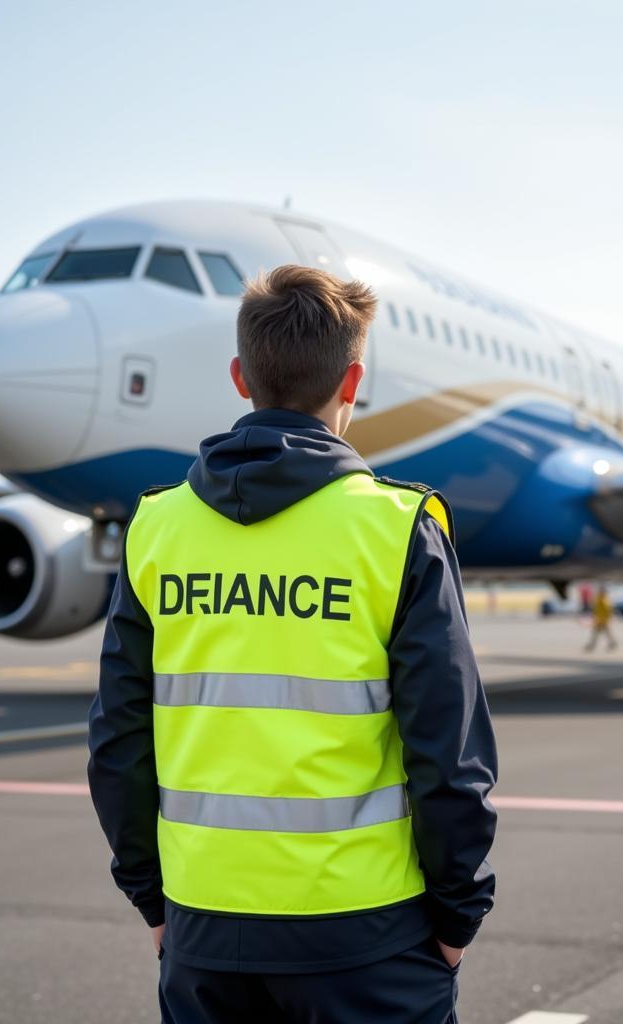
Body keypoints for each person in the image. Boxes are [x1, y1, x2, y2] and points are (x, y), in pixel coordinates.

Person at [87, 265, 498, 1024]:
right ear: (354, 382)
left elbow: (118, 741)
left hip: (203, 930)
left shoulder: (156, 530)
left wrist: (153, 900)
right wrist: (458, 916)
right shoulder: (398, 530)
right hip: (369, 934)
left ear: (241, 377)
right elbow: (449, 752)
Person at [584, 585, 618, 652]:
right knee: (604, 633)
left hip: (601, 620)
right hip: (600, 619)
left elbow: (608, 610)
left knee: (597, 633)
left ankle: (592, 645)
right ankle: (612, 643)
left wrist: (607, 618)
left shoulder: (603, 600)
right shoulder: (600, 598)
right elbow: (596, 609)